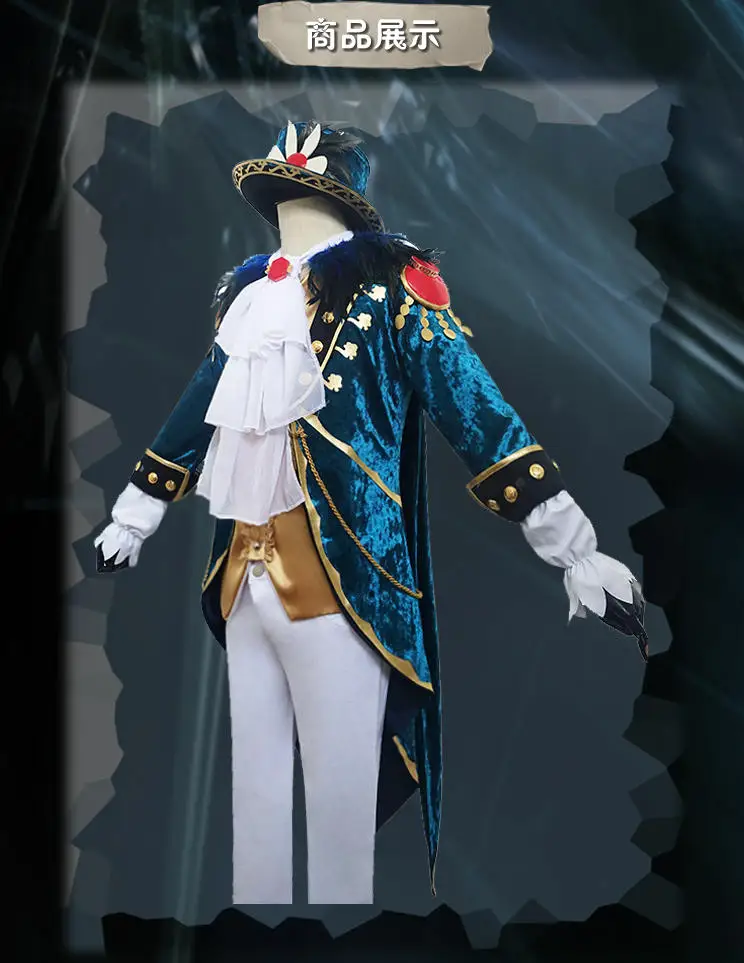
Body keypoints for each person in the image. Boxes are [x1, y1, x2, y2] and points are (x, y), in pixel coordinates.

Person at [94, 120, 648, 906]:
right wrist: (138, 510)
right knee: (255, 803)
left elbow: (474, 407)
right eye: (280, 194)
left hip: (346, 576)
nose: (286, 208)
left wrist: (572, 547)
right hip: (241, 575)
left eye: (300, 192)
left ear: (338, 201)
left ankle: (339, 932)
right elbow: (196, 411)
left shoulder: (393, 290)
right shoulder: (249, 303)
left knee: (339, 812)